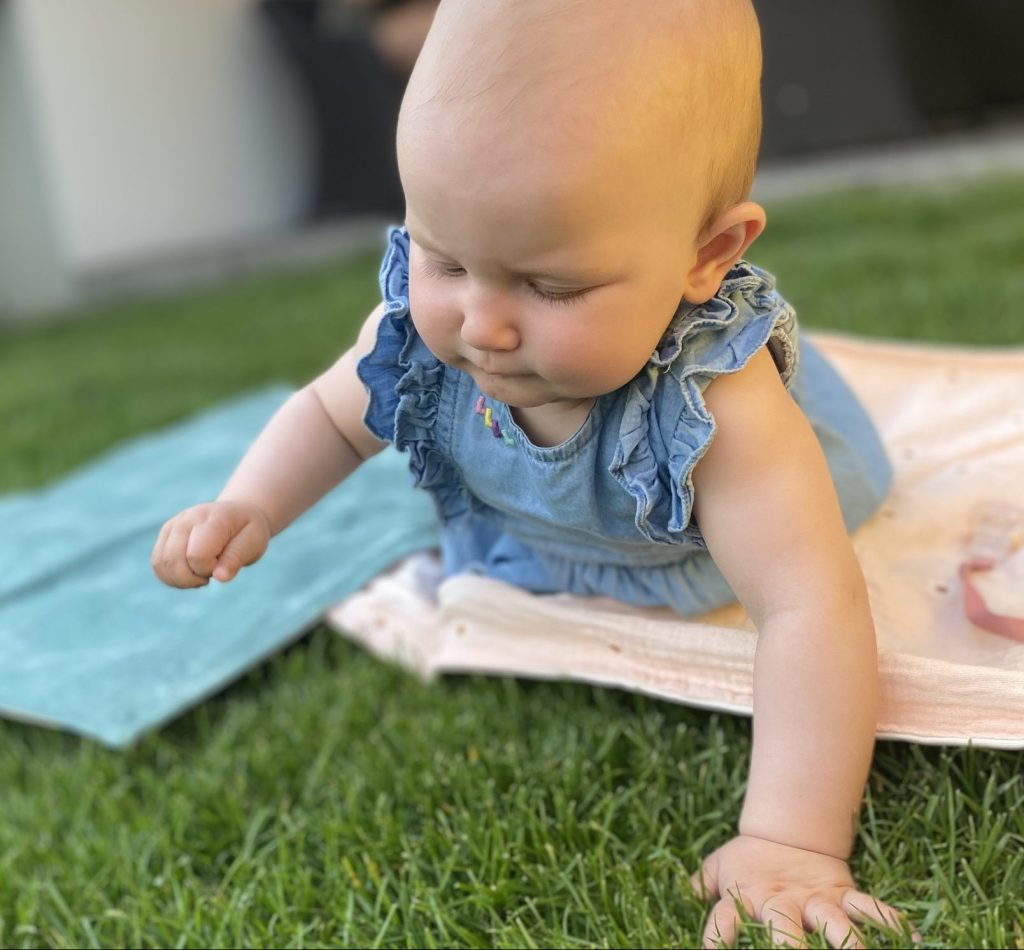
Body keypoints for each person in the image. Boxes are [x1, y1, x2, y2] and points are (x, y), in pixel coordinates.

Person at [152, 1, 919, 945]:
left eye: (551, 287)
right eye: (444, 258)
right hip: (547, 539)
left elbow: (811, 605)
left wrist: (792, 840)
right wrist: (250, 502)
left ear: (706, 255)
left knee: (810, 488)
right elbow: (328, 412)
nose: (483, 325)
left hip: (711, 542)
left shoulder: (720, 408)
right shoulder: (429, 332)